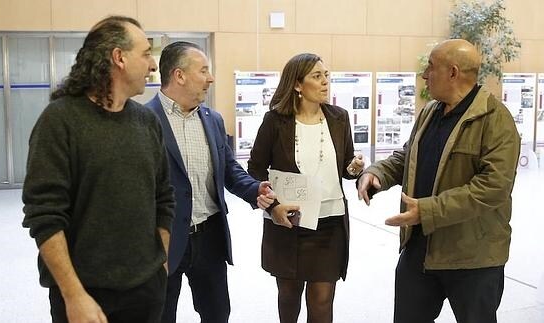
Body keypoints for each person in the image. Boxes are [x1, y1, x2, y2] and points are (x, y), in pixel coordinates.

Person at [22, 16, 174, 323]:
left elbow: (164, 198)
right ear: (119, 58)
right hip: (85, 295)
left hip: (146, 290)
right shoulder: (60, 121)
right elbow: (45, 216)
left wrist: (160, 265)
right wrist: (73, 294)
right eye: (145, 54)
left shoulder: (147, 122)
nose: (153, 65)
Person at [357, 39, 521, 323]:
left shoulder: (496, 120)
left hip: (473, 257)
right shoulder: (430, 112)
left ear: (453, 73)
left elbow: (493, 188)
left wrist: (427, 211)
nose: (424, 75)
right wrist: (378, 173)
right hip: (420, 249)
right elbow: (409, 156)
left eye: (431, 67)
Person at [144, 41, 275, 323]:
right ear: (179, 76)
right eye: (204, 70)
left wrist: (255, 189)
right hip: (163, 241)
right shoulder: (143, 121)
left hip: (210, 238)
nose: (211, 78)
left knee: (217, 314)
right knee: (160, 315)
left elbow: (229, 169)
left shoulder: (212, 119)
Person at [247, 53, 364, 323]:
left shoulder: (339, 118)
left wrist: (354, 168)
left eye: (327, 76)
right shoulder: (275, 121)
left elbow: (346, 167)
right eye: (317, 76)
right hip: (290, 221)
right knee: (288, 295)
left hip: (330, 223)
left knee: (322, 300)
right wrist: (272, 205)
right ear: (298, 85)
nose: (325, 82)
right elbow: (255, 169)